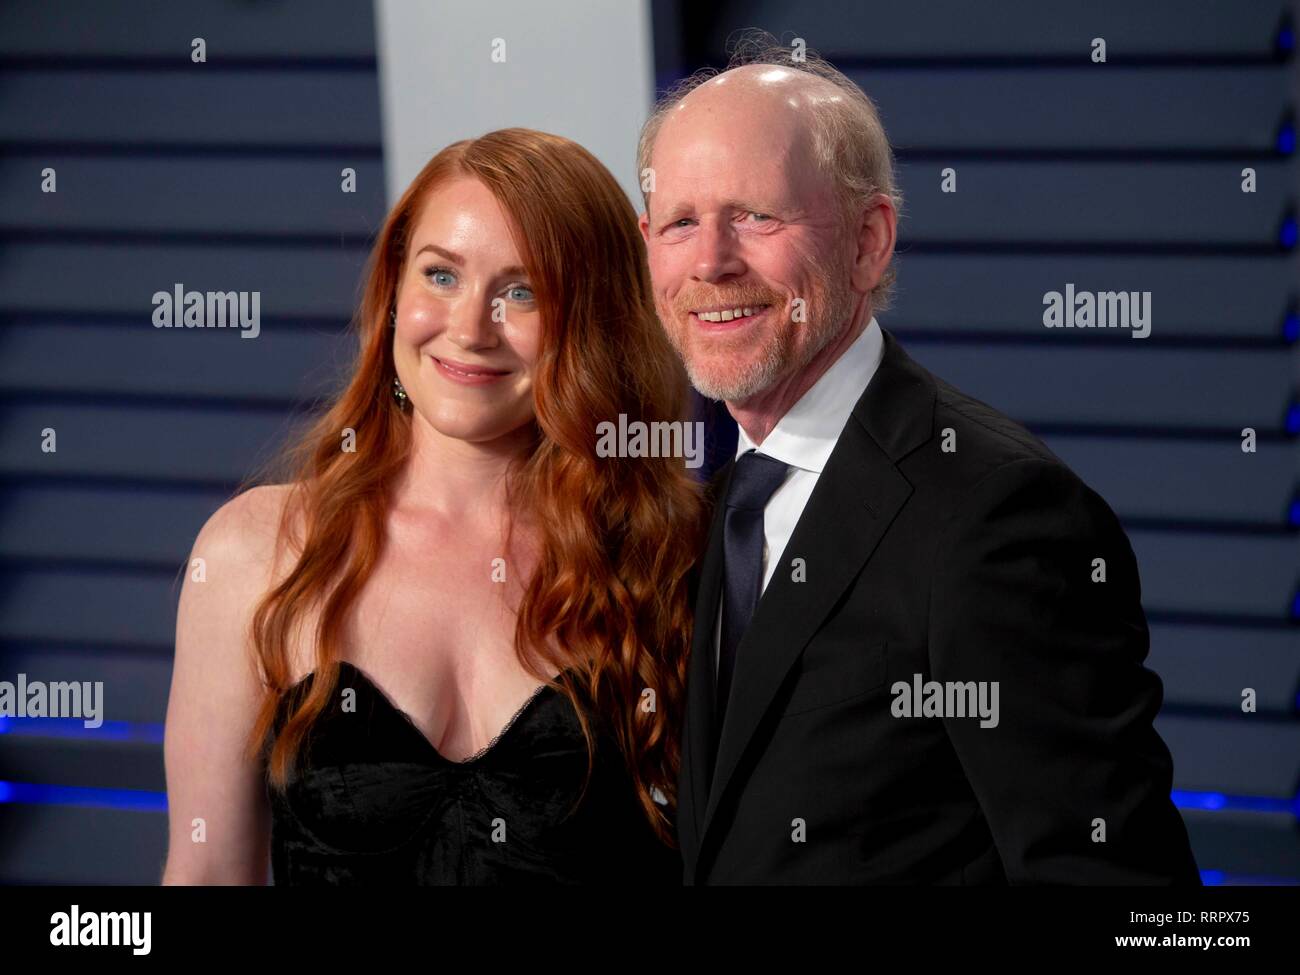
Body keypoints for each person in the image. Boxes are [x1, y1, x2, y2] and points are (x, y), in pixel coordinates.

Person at [637, 36, 1201, 884]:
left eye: (756, 215)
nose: (710, 261)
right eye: (680, 222)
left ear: (869, 242)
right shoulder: (717, 505)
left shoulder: (997, 513)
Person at [161, 128, 702, 885]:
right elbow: (209, 871)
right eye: (440, 276)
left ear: (590, 323)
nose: (469, 328)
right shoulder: (254, 552)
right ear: (392, 294)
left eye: (523, 292)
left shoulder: (676, 555)